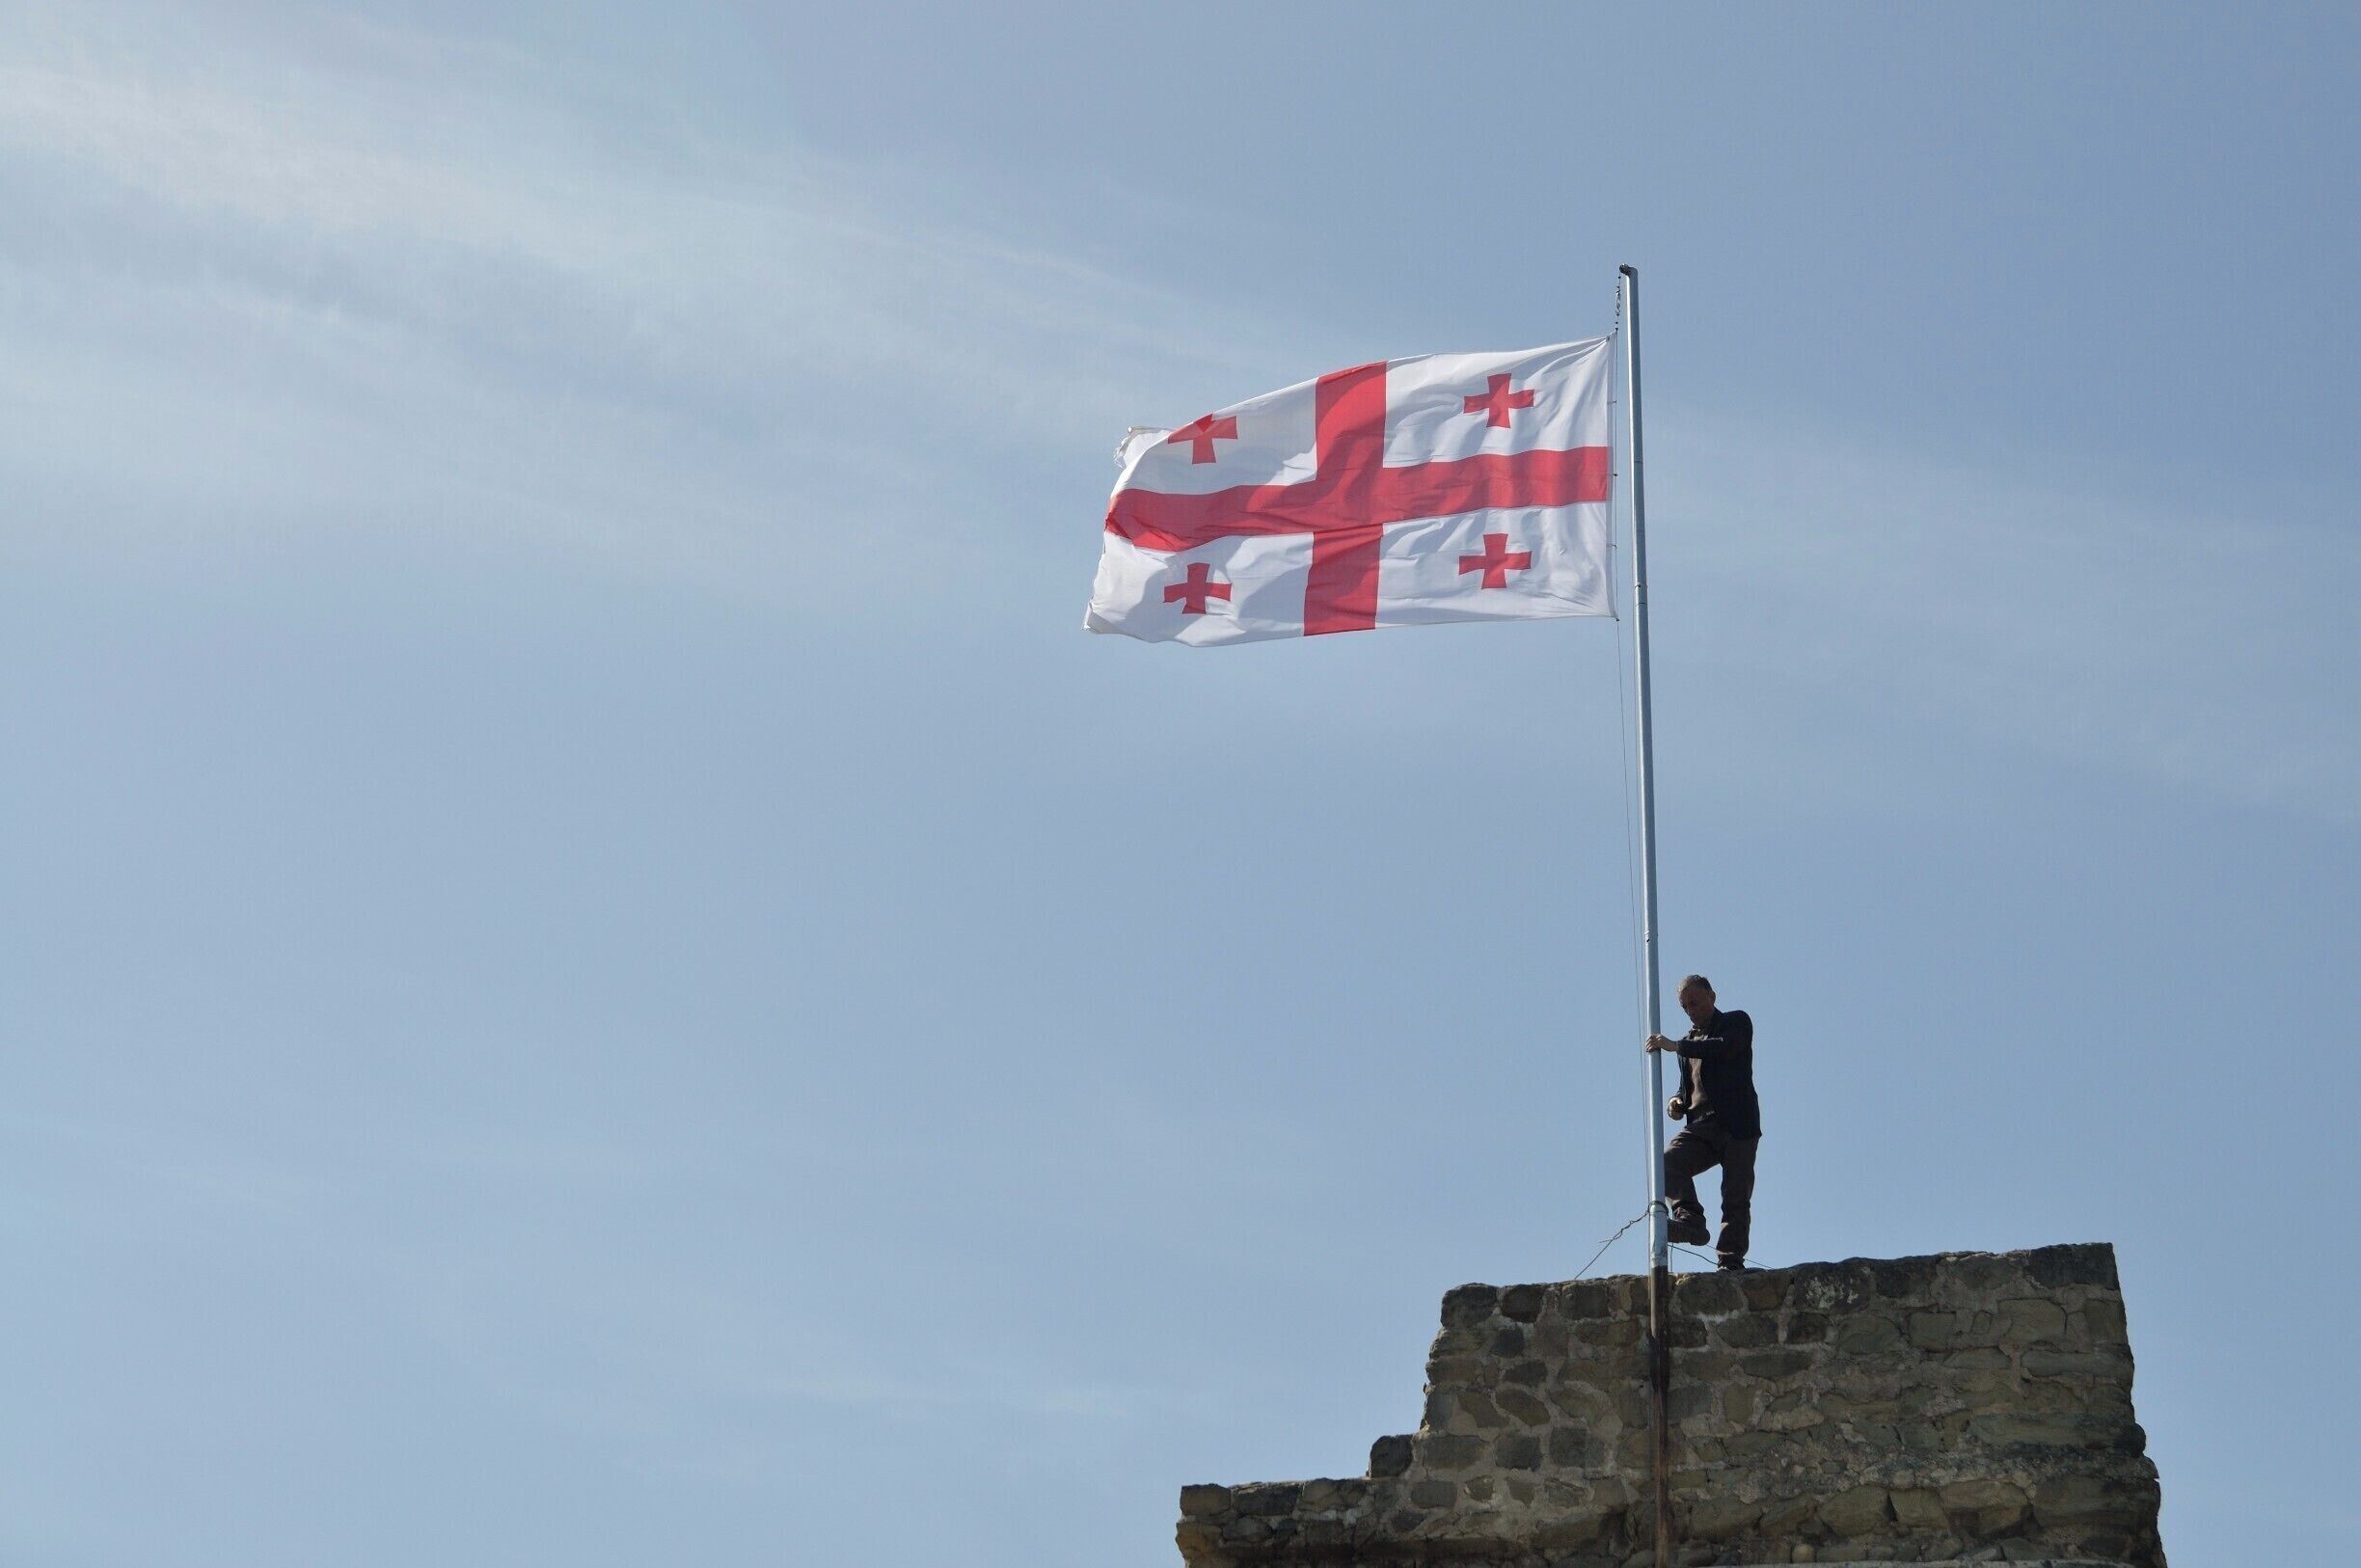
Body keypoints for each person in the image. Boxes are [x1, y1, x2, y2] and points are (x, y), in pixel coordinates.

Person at [1643, 975, 1760, 1271]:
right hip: (1703, 1126)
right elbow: (1687, 1087)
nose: (1691, 1010)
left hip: (1736, 1124)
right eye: (1685, 1007)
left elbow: (1723, 1048)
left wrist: (1676, 1046)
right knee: (1666, 1163)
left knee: (1735, 1195)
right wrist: (1677, 1101)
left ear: (1712, 995)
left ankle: (1730, 1261)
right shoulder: (1688, 1045)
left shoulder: (1735, 1022)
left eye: (1695, 1002)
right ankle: (1690, 1220)